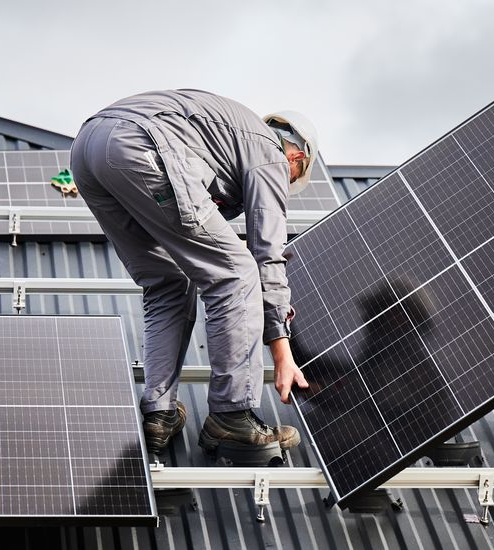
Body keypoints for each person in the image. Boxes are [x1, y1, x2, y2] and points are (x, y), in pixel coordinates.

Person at [69, 89, 313, 462]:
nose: (284, 185)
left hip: (88, 149)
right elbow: (267, 254)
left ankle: (159, 411)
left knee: (167, 281)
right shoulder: (270, 152)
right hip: (141, 143)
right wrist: (281, 348)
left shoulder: (227, 135)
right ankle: (232, 414)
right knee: (236, 273)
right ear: (296, 156)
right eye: (292, 178)